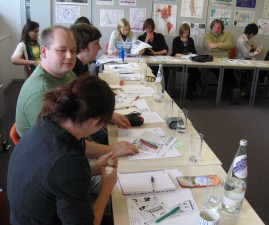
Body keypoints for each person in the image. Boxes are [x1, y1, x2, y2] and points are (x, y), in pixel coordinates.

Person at [15, 25, 138, 159]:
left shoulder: (65, 74)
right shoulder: (40, 92)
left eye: (73, 51)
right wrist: (111, 150)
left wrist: (108, 114)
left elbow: (82, 106)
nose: (69, 56)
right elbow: (62, 142)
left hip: (78, 140)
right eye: (62, 50)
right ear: (44, 52)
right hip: (53, 158)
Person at [8, 76, 118, 225]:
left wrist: (94, 169)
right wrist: (106, 189)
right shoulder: (69, 162)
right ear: (94, 121)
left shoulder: (46, 123)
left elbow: (53, 179)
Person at [203, 19, 240, 104]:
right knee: (221, 72)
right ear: (211, 28)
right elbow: (210, 48)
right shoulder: (207, 35)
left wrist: (216, 45)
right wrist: (223, 48)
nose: (216, 29)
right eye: (214, 27)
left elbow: (229, 45)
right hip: (212, 61)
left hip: (225, 60)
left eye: (218, 28)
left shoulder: (226, 34)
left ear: (222, 29)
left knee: (230, 70)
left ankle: (234, 90)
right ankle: (233, 90)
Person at [138, 18, 170, 89]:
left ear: (153, 28)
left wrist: (156, 53)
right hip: (146, 62)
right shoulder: (141, 38)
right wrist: (146, 41)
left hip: (158, 61)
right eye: (146, 28)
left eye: (149, 28)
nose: (148, 30)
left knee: (166, 70)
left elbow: (166, 50)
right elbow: (140, 53)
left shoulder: (159, 36)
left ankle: (163, 89)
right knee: (146, 71)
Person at [171, 23, 200, 100]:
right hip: (179, 62)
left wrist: (192, 56)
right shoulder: (176, 40)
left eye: (187, 33)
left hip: (189, 62)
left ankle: (190, 91)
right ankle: (199, 85)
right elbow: (174, 53)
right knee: (195, 71)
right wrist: (183, 56)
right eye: (184, 33)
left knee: (194, 70)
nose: (185, 34)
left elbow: (194, 52)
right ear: (181, 32)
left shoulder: (190, 40)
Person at [235, 23, 262, 96]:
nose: (253, 36)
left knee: (257, 71)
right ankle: (247, 92)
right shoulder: (242, 40)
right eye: (254, 34)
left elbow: (247, 50)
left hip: (246, 61)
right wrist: (256, 52)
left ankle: (248, 91)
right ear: (252, 33)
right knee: (255, 73)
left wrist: (252, 48)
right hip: (241, 62)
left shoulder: (246, 39)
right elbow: (246, 54)